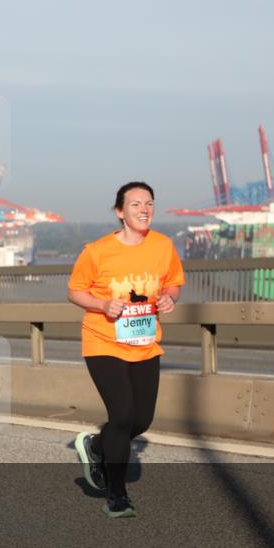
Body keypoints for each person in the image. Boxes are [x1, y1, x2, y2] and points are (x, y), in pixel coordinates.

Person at [67, 181, 184, 518]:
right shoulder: (97, 251)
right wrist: (104, 303)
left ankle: (96, 445)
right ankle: (117, 495)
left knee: (141, 421)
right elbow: (75, 291)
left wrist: (168, 298)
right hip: (103, 341)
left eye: (149, 203)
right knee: (122, 415)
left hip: (145, 344)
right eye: (135, 204)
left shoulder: (163, 246)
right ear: (120, 212)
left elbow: (173, 282)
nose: (144, 209)